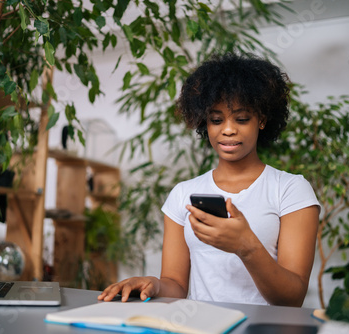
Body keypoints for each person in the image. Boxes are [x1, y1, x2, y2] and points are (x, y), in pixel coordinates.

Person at [98, 52, 320, 306]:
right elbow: (176, 285)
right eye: (216, 120)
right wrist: (153, 284)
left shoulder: (291, 190)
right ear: (206, 123)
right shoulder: (183, 194)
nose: (227, 129)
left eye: (242, 119)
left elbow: (292, 298)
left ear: (262, 120)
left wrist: (246, 247)